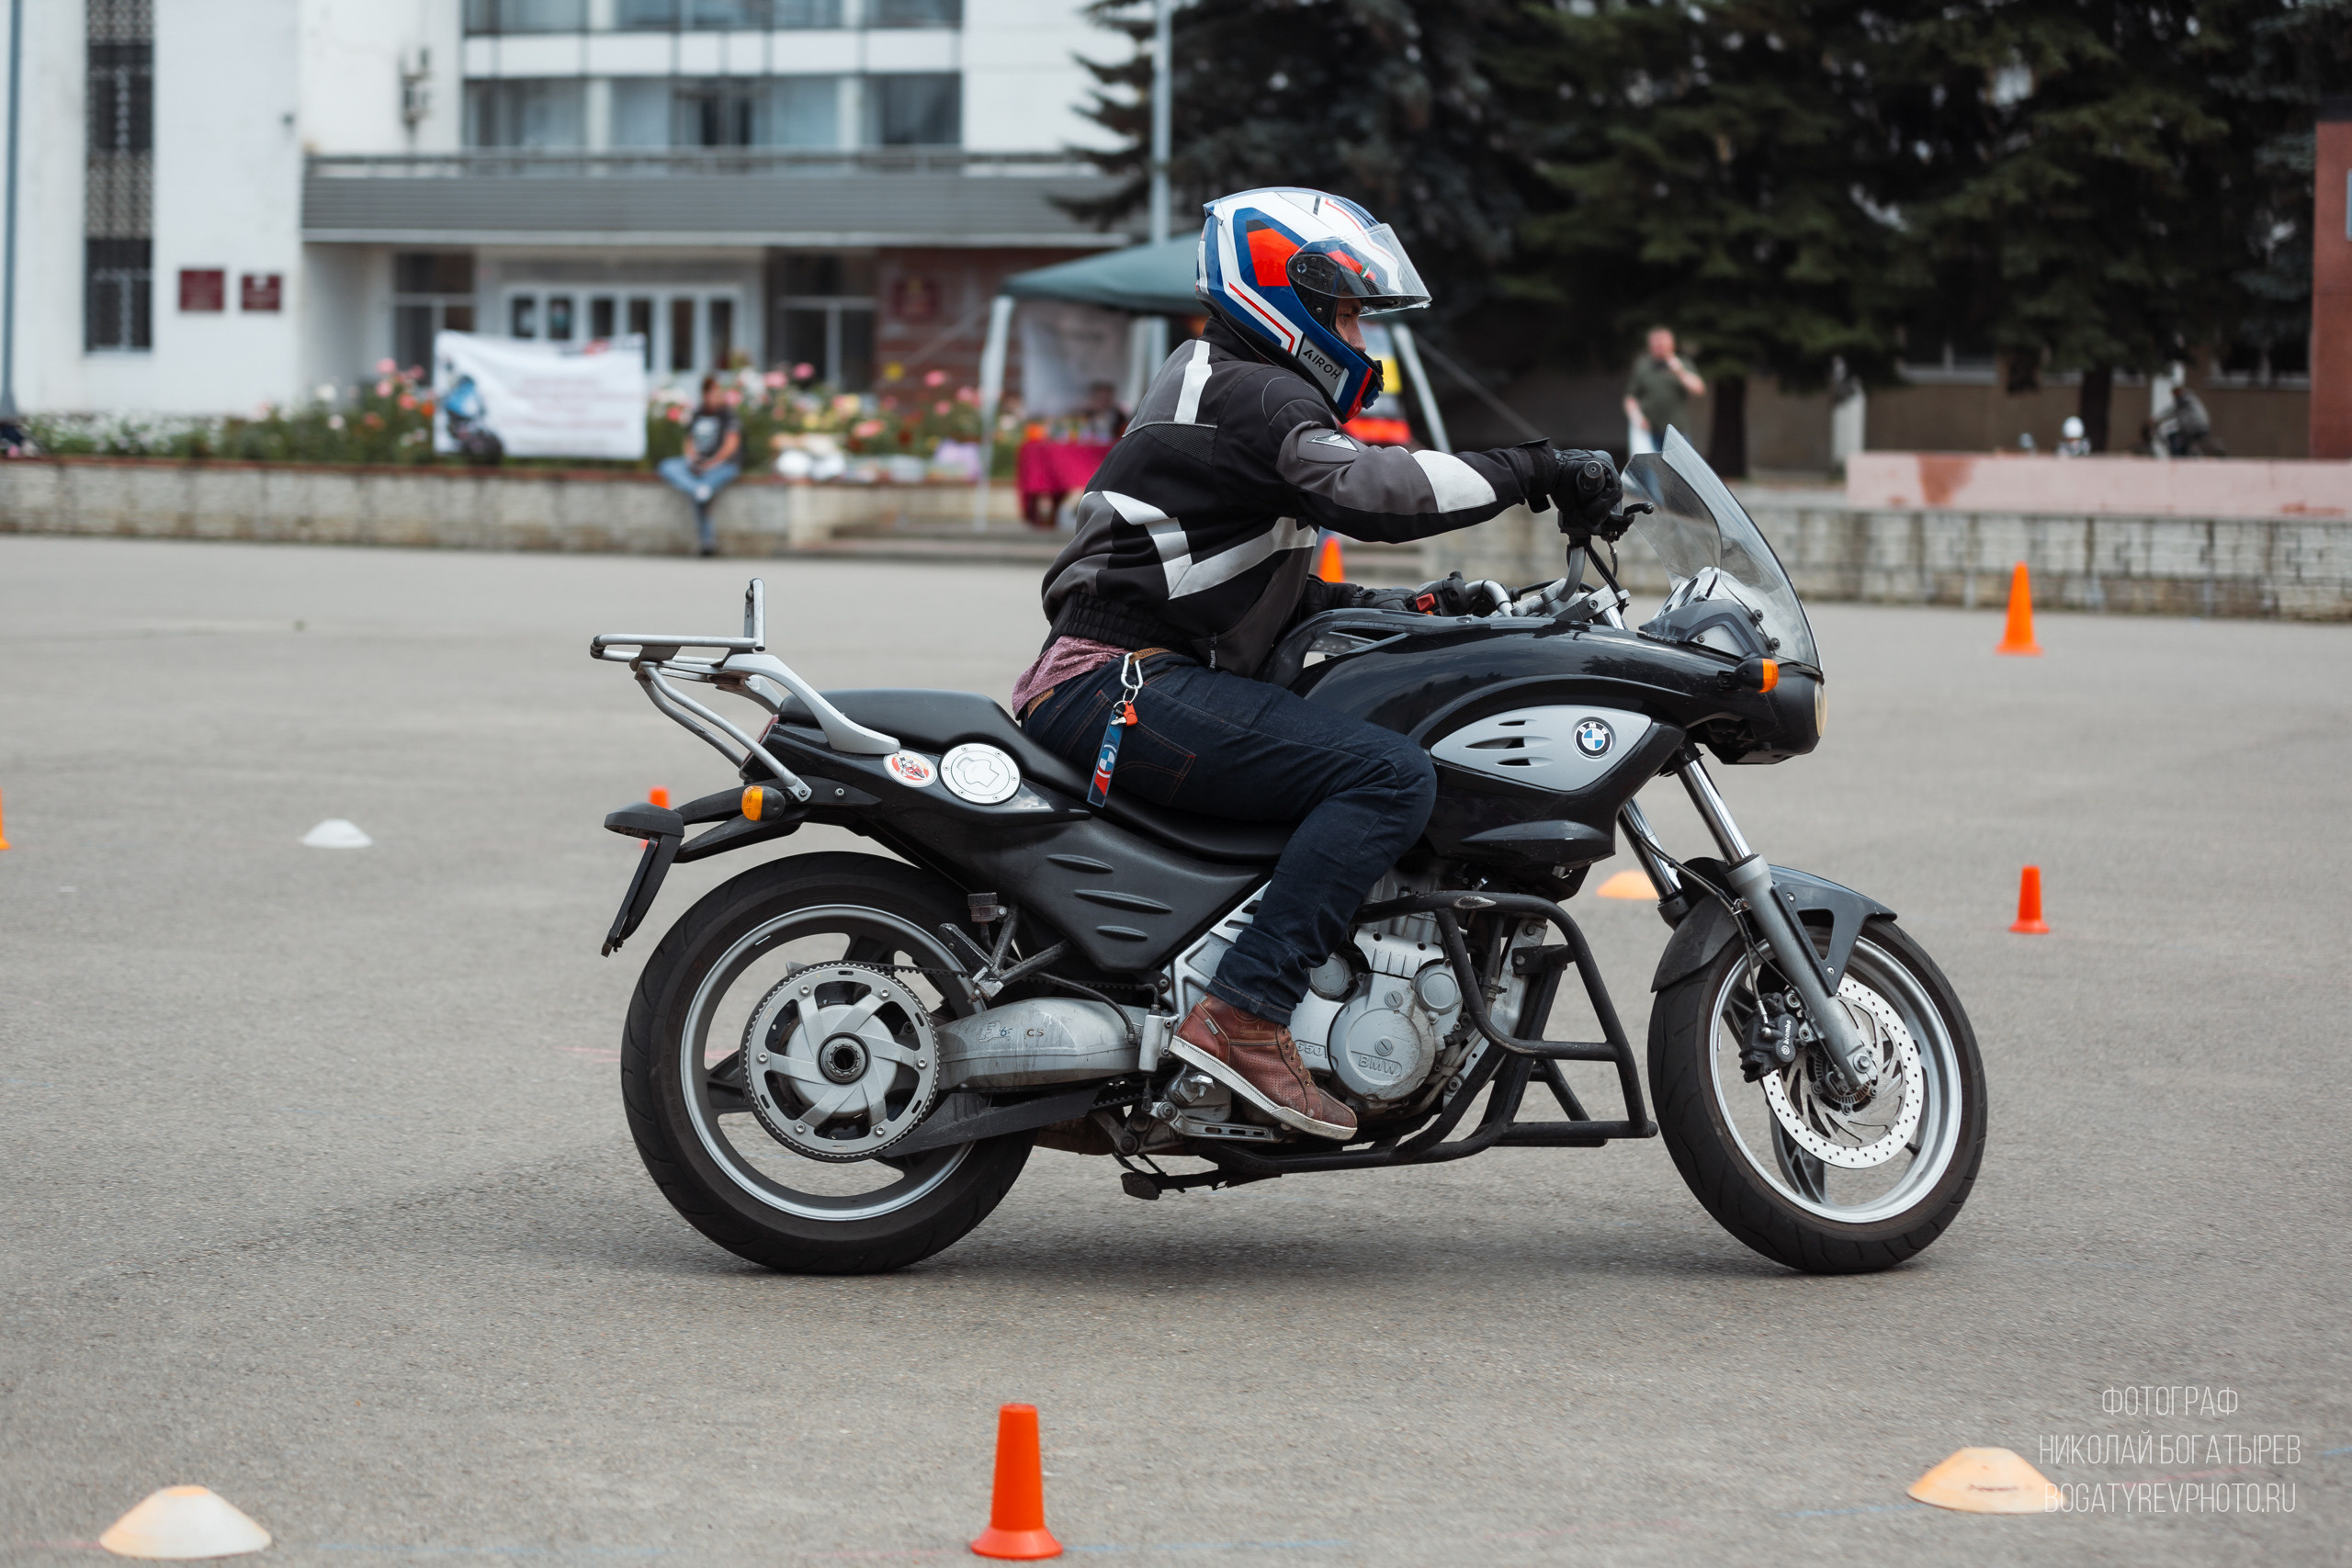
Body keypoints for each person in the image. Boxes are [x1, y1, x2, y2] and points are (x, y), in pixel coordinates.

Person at [1011, 186, 1621, 1142]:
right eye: (1343, 311)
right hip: (1120, 683)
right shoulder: (1249, 388)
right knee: (1386, 777)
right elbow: (1367, 490)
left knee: (1365, 752)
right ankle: (1246, 1015)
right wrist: (1533, 470)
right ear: (1281, 295)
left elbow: (1280, 603)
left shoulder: (1226, 384)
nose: (1357, 336)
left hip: (1131, 679)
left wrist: (1419, 609)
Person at [658, 375, 742, 557]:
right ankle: (696, 488)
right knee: (667, 466)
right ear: (705, 394)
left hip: (723, 466)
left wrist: (712, 463)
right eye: (713, 392)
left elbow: (731, 444)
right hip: (699, 464)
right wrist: (693, 459)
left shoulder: (727, 414)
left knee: (702, 496)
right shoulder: (698, 413)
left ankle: (707, 542)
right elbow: (688, 442)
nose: (717, 396)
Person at [1623, 326, 1705, 455]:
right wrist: (1637, 417)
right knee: (1652, 472)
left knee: (1680, 470)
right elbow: (1631, 397)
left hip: (1677, 432)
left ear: (1672, 344)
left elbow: (1698, 389)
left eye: (1662, 343)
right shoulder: (1643, 365)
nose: (1658, 346)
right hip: (1650, 431)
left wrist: (1679, 371)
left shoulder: (1682, 363)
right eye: (1655, 343)